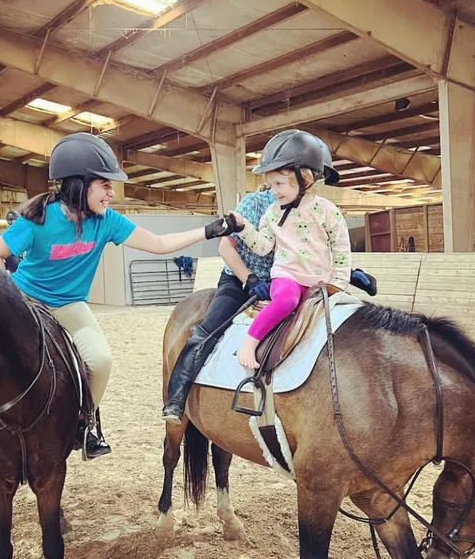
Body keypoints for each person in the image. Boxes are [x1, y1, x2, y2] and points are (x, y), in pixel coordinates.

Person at [0, 132, 237, 459]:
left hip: (69, 304)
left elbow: (159, 244)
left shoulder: (107, 222)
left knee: (101, 360)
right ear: (80, 184)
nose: (112, 193)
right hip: (27, 301)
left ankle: (84, 423)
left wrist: (209, 230)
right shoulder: (37, 220)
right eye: (105, 185)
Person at [160, 135, 376, 424]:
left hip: (294, 280)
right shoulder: (259, 204)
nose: (277, 189)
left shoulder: (321, 209)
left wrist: (348, 273)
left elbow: (316, 247)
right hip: (243, 279)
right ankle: (177, 398)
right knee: (208, 330)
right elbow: (227, 246)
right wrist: (249, 280)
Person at [230, 129, 351, 369]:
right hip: (287, 277)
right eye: (270, 185)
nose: (273, 191)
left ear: (304, 179)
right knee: (286, 301)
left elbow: (341, 247)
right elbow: (263, 247)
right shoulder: (272, 213)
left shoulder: (327, 211)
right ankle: (250, 341)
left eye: (279, 184)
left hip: (321, 280)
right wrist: (244, 228)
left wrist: (339, 281)